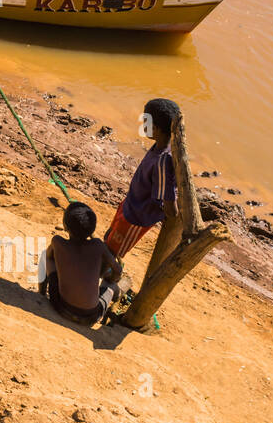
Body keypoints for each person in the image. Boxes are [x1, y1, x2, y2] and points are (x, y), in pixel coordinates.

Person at [105, 98, 180, 259]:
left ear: (157, 129)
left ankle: (109, 279)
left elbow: (168, 201)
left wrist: (173, 217)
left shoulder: (164, 161)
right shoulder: (159, 147)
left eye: (145, 121)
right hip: (130, 204)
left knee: (113, 253)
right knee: (109, 239)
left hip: (137, 217)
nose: (142, 125)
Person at [42, 202, 128, 327]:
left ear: (65, 226)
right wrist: (110, 279)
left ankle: (41, 292)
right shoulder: (98, 246)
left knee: (48, 257)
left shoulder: (58, 242)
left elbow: (49, 258)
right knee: (110, 286)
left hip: (60, 307)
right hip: (90, 317)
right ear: (92, 229)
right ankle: (114, 297)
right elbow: (118, 271)